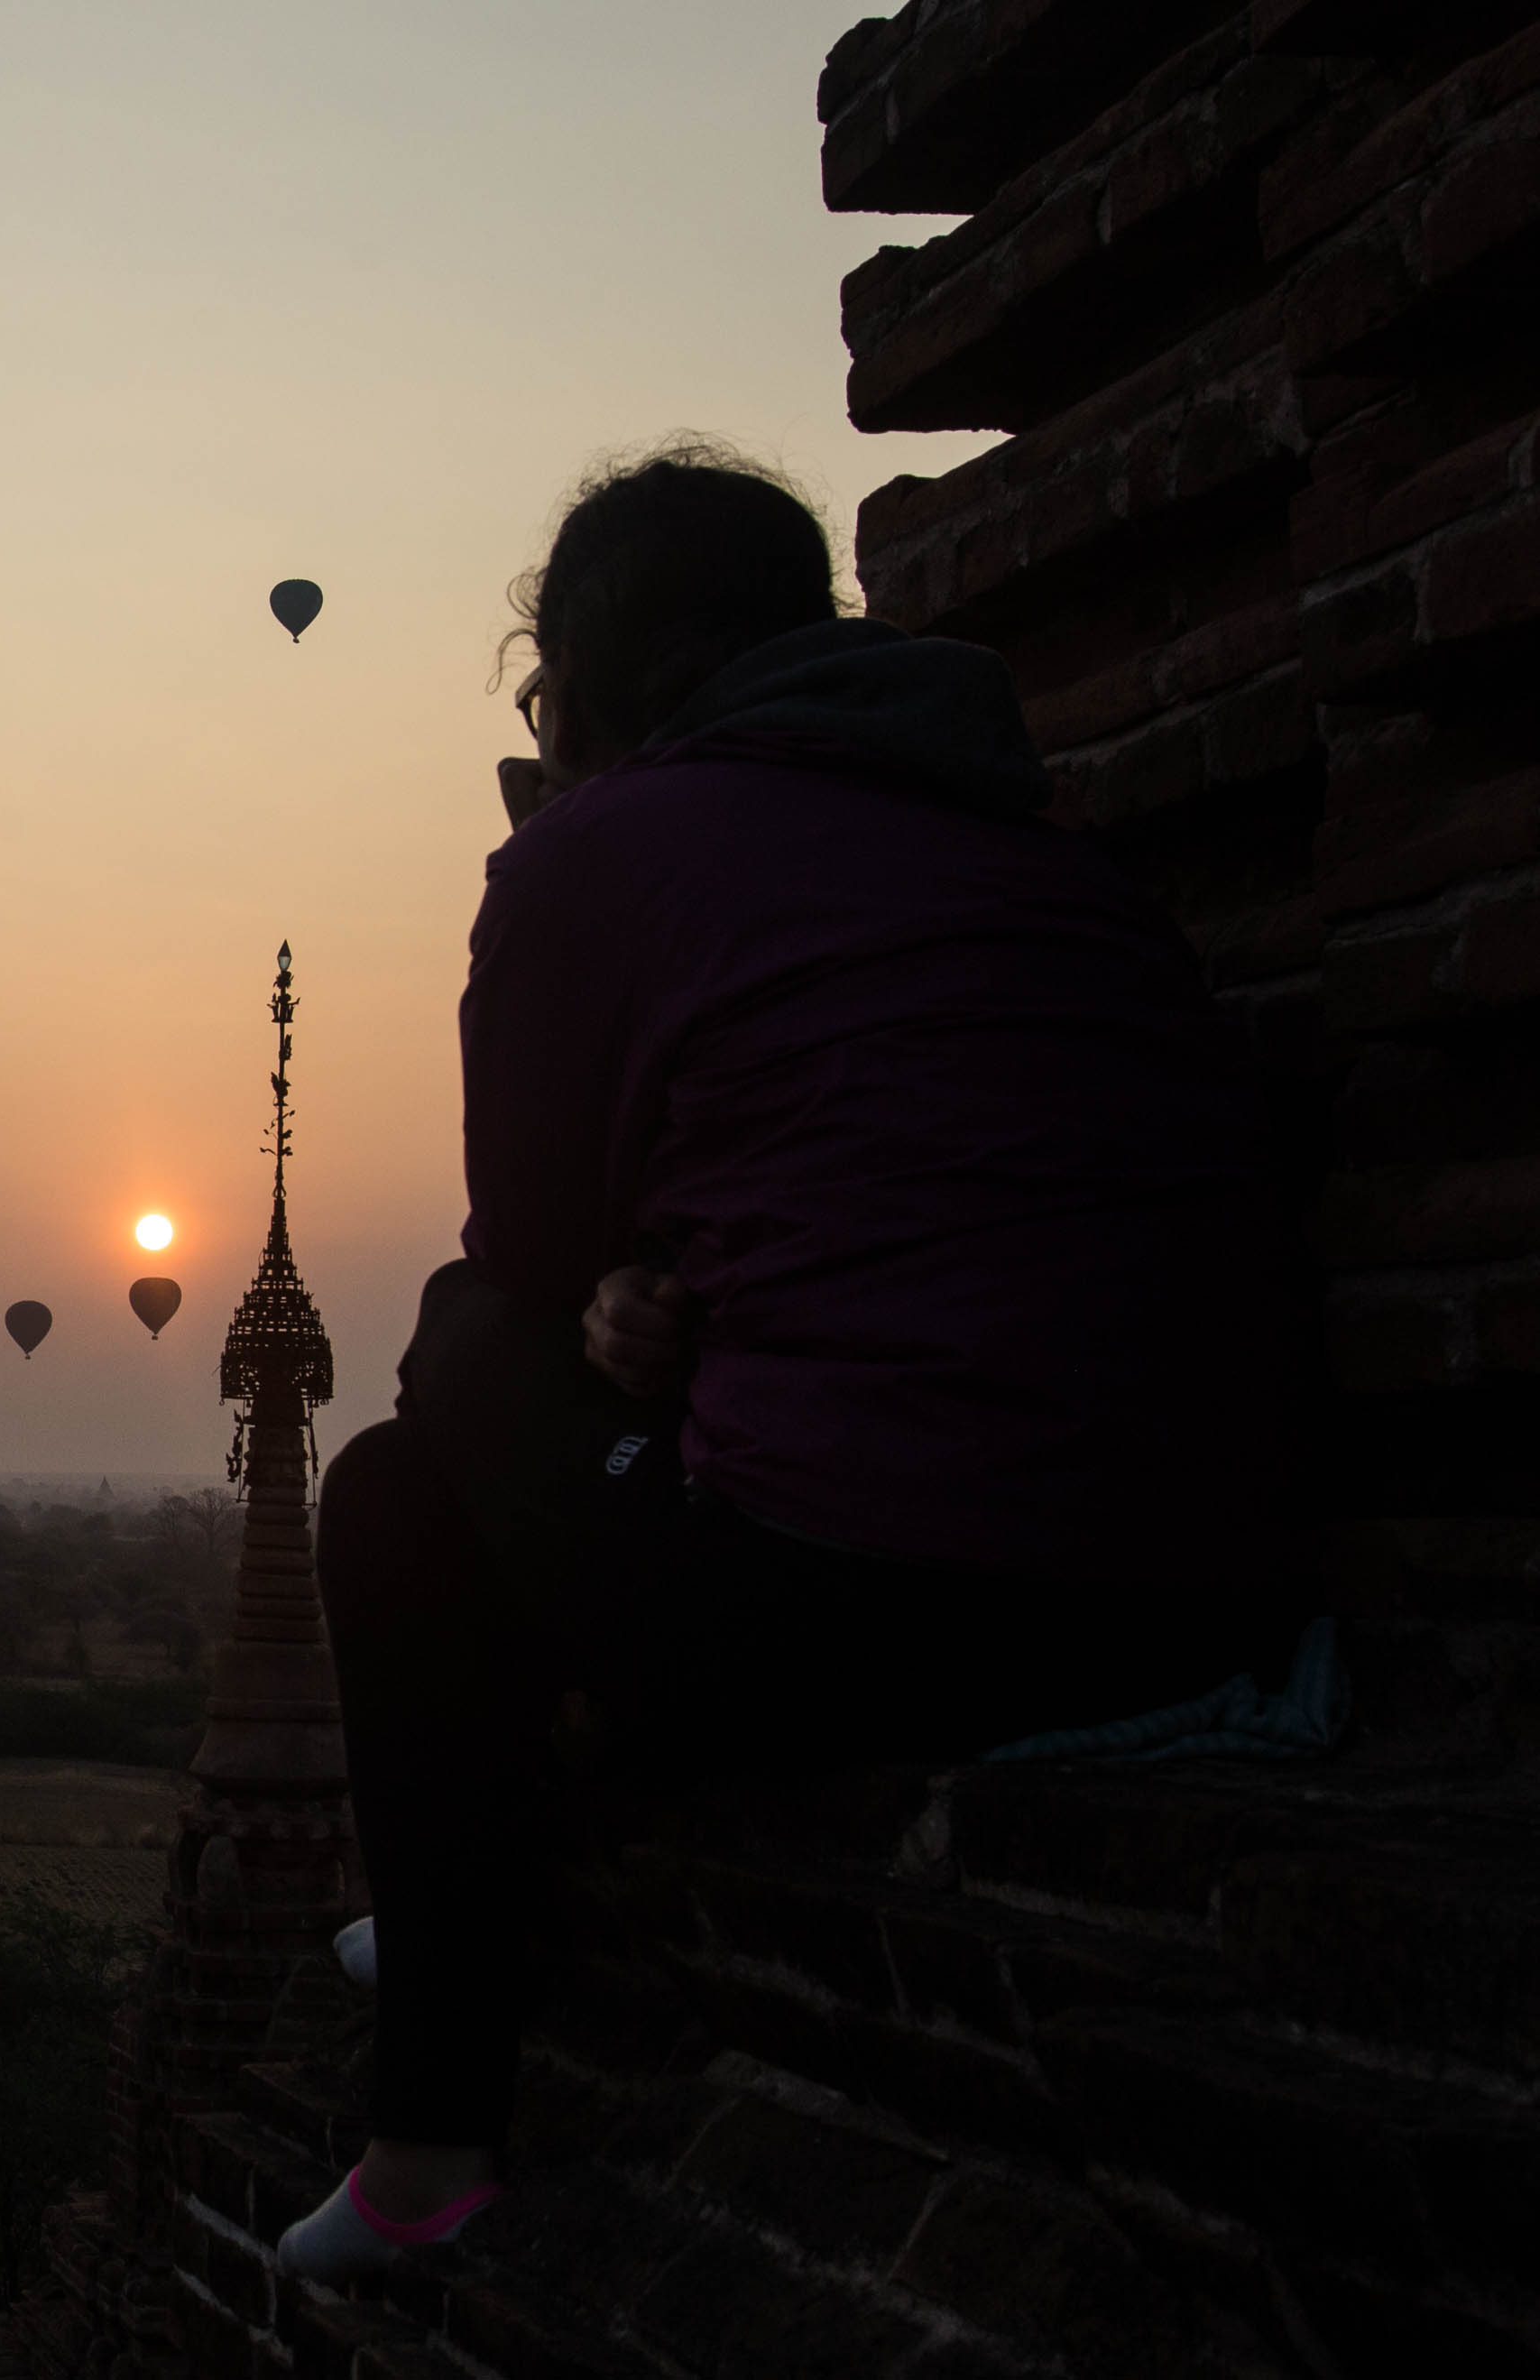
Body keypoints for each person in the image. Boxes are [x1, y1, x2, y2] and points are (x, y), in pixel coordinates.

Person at [275, 444, 1313, 2280]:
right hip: (1193, 1593)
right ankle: (457, 1898)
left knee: (415, 1420)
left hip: (872, 1604)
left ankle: (426, 2134)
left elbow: (521, 1260)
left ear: (571, 683)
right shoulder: (1031, 851)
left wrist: (600, 1297)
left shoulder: (600, 848)